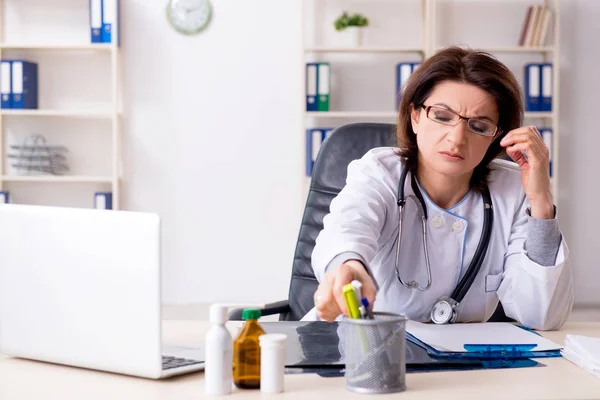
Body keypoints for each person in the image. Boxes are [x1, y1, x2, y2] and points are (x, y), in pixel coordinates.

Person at [304, 46, 573, 330]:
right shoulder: (378, 172)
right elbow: (348, 229)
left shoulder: (513, 190)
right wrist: (349, 265)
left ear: (497, 138)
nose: (457, 139)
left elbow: (541, 316)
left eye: (479, 126)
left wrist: (541, 201)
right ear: (415, 116)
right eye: (443, 116)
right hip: (366, 347)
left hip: (464, 358)